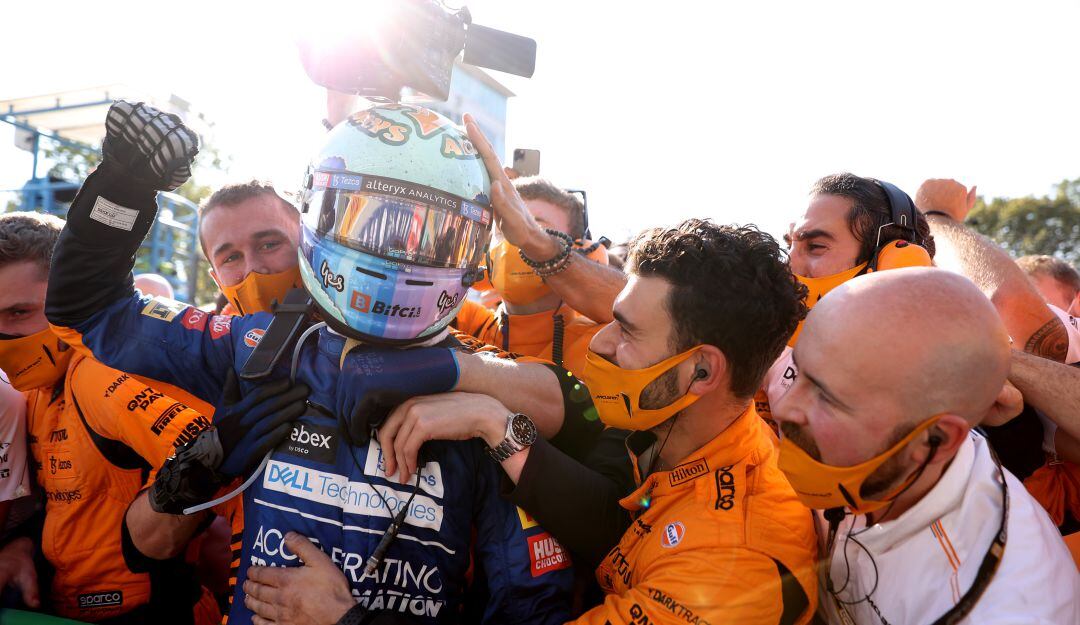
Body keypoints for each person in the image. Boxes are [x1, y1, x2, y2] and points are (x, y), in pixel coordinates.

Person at [45, 100, 581, 624]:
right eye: (367, 221)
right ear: (318, 217)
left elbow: (529, 606)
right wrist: (122, 186)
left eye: (429, 232)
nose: (394, 251)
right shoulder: (261, 346)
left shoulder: (482, 393)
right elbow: (93, 309)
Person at [260, 218, 822, 625]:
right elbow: (609, 511)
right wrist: (494, 421)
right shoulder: (676, 428)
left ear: (701, 371)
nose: (599, 341)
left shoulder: (735, 559)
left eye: (626, 332)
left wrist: (343, 618)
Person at [772, 267, 1079, 624]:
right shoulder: (894, 423)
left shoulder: (1002, 608)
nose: (784, 408)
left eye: (826, 398)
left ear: (937, 439)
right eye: (799, 371)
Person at [0, 212, 223, 622]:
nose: (4, 336)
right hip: (60, 607)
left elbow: (211, 453)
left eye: (19, 313)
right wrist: (22, 545)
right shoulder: (33, 389)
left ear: (70, 294)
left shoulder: (99, 372)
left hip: (154, 612)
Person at [761, 173, 936, 414]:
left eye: (815, 247)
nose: (786, 266)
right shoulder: (769, 359)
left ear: (895, 266)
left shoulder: (945, 391)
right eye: (789, 245)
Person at [453, 177, 614, 373]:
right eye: (504, 228)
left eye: (535, 228)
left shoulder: (602, 344)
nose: (515, 238)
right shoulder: (458, 320)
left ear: (583, 250)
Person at [197, 181, 303, 316]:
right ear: (217, 280)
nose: (253, 269)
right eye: (231, 258)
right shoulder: (204, 336)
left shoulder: (337, 328)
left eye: (268, 245)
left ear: (307, 245)